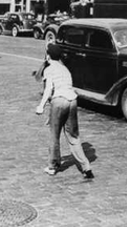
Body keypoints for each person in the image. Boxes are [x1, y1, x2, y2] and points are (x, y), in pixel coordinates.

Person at [35, 43, 94, 179]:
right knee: (73, 136)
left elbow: (49, 89)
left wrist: (41, 106)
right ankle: (86, 167)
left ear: (48, 56)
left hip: (59, 101)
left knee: (54, 135)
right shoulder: (64, 68)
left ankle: (52, 166)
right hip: (72, 101)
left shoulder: (49, 69)